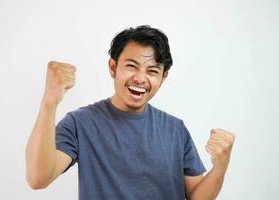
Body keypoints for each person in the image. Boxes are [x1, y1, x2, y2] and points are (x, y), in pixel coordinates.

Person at [26, 25, 235, 200]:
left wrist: (219, 169)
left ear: (163, 78)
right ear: (112, 67)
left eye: (152, 71)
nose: (140, 78)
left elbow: (196, 196)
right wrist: (49, 102)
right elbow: (38, 178)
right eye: (131, 66)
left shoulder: (175, 129)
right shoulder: (80, 123)